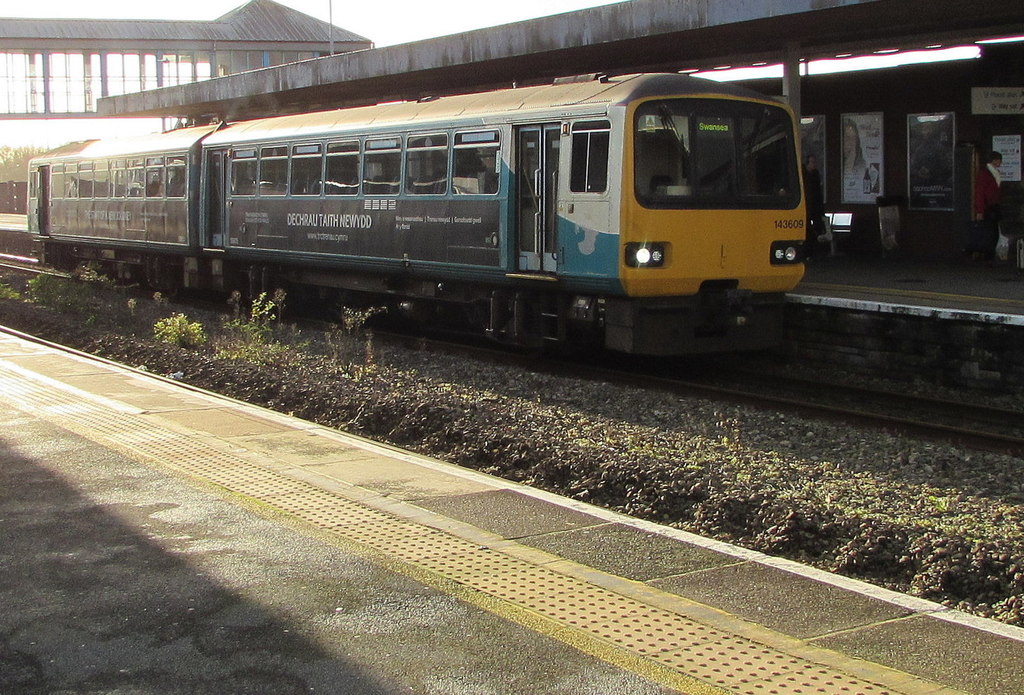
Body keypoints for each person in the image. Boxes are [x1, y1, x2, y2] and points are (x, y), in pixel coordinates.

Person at [972, 151, 1002, 261]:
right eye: (999, 160)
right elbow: (980, 192)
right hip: (989, 207)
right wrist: (980, 210)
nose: (1000, 163)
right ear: (994, 161)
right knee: (991, 232)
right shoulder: (985, 174)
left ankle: (988, 255)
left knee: (992, 232)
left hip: (993, 206)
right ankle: (988, 256)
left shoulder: (991, 172)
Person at [803, 154, 825, 259]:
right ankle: (808, 252)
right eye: (812, 162)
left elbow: (818, 192)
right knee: (807, 229)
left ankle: (814, 251)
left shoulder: (815, 175)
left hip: (815, 206)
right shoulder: (803, 175)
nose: (814, 165)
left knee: (816, 228)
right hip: (806, 206)